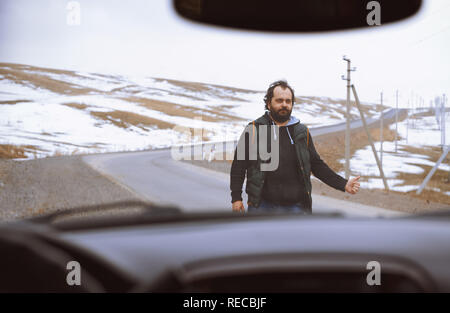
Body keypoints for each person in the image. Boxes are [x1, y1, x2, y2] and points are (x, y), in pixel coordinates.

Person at [230, 80, 360, 214]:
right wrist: (236, 198)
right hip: (262, 207)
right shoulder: (254, 130)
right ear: (269, 103)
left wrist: (343, 184)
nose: (284, 105)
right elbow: (238, 167)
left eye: (288, 101)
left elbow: (316, 165)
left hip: (296, 208)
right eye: (279, 100)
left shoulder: (301, 132)